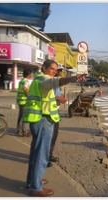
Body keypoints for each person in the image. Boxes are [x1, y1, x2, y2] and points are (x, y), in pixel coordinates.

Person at [22, 59, 86, 196]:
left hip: (39, 119)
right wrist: (75, 77)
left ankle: (32, 180)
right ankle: (36, 187)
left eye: (56, 70)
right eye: (52, 69)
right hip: (43, 120)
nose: (54, 72)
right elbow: (58, 81)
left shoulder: (39, 80)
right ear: (44, 68)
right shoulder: (45, 79)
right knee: (42, 154)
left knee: (35, 152)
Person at [48, 65, 68, 167]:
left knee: (54, 134)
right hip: (48, 112)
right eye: (57, 71)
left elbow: (56, 95)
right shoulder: (50, 80)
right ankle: (45, 157)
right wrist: (60, 99)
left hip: (54, 110)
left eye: (60, 71)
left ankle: (49, 155)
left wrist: (61, 99)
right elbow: (49, 94)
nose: (59, 72)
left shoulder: (57, 82)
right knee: (48, 136)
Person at [16, 69, 33, 137]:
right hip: (24, 101)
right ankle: (24, 131)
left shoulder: (21, 81)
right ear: (29, 75)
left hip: (19, 100)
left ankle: (19, 130)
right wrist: (28, 95)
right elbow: (25, 89)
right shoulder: (26, 81)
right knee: (24, 116)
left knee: (20, 116)